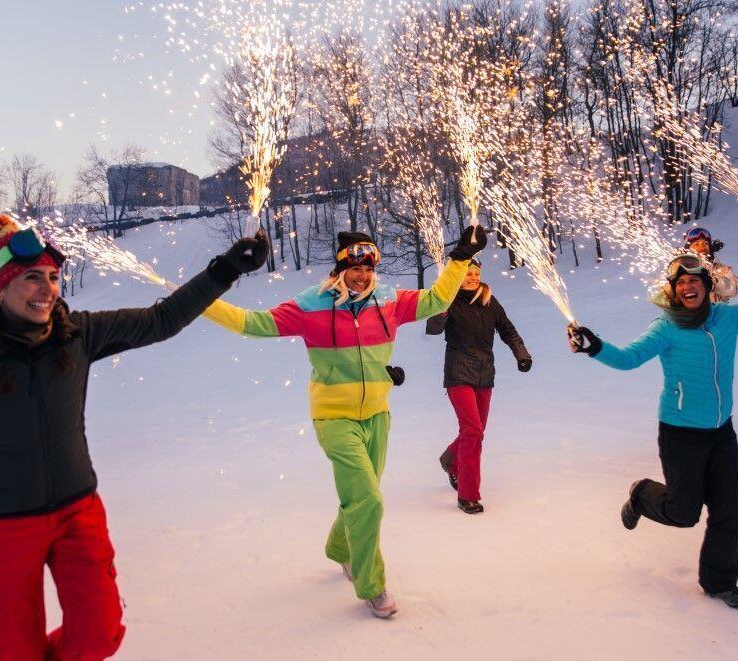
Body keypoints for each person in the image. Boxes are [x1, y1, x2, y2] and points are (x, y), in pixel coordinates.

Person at [0, 213, 269, 659]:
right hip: (5, 526)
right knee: (11, 652)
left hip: (78, 512)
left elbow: (161, 320)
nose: (48, 289)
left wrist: (226, 270)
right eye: (33, 278)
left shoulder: (77, 334)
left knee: (99, 633)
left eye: (53, 277)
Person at [201, 227, 486, 618]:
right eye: (353, 266)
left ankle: (340, 547)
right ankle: (372, 585)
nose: (361, 274)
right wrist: (199, 300)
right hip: (334, 417)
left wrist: (457, 260)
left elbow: (438, 299)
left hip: (377, 416)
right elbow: (254, 323)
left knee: (360, 496)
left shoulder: (389, 302)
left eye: (368, 267)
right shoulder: (312, 305)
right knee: (368, 500)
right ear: (339, 268)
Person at [566, 214, 738, 610]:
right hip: (680, 433)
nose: (688, 287)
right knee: (683, 513)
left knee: (729, 513)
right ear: (673, 291)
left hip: (722, 432)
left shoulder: (728, 318)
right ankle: (640, 494)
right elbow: (628, 359)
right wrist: (595, 346)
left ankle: (720, 582)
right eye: (681, 283)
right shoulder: (666, 327)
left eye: (694, 281)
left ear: (707, 286)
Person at [426, 258, 532, 514]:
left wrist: (522, 354)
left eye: (476, 273)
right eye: (467, 273)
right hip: (459, 373)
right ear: (458, 276)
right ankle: (468, 495)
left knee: (476, 431)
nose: (472, 277)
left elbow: (508, 330)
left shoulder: (488, 300)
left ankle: (451, 460)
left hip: (485, 374)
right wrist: (440, 310)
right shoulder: (447, 299)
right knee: (473, 430)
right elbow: (432, 329)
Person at [683, 226, 738, 302]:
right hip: (691, 313)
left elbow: (736, 288)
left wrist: (714, 283)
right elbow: (665, 298)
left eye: (705, 243)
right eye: (696, 244)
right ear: (688, 249)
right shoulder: (681, 269)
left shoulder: (722, 269)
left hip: (719, 312)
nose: (702, 247)